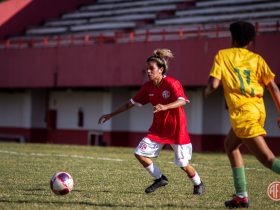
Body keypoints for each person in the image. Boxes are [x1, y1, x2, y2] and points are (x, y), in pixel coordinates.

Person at [98, 49, 204, 195]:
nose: (148, 71)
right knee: (139, 153)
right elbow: (131, 103)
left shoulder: (172, 83)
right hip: (158, 130)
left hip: (177, 130)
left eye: (151, 68)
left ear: (161, 70)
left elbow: (182, 101)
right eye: (147, 68)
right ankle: (160, 178)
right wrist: (111, 114)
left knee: (183, 165)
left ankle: (198, 183)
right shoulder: (147, 87)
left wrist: (165, 106)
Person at [205, 21, 280, 208]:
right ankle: (241, 196)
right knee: (230, 146)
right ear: (250, 41)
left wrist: (207, 91)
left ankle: (241, 195)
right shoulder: (258, 59)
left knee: (267, 159)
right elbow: (274, 89)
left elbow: (214, 84)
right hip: (256, 111)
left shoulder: (223, 55)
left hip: (243, 115)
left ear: (233, 38)